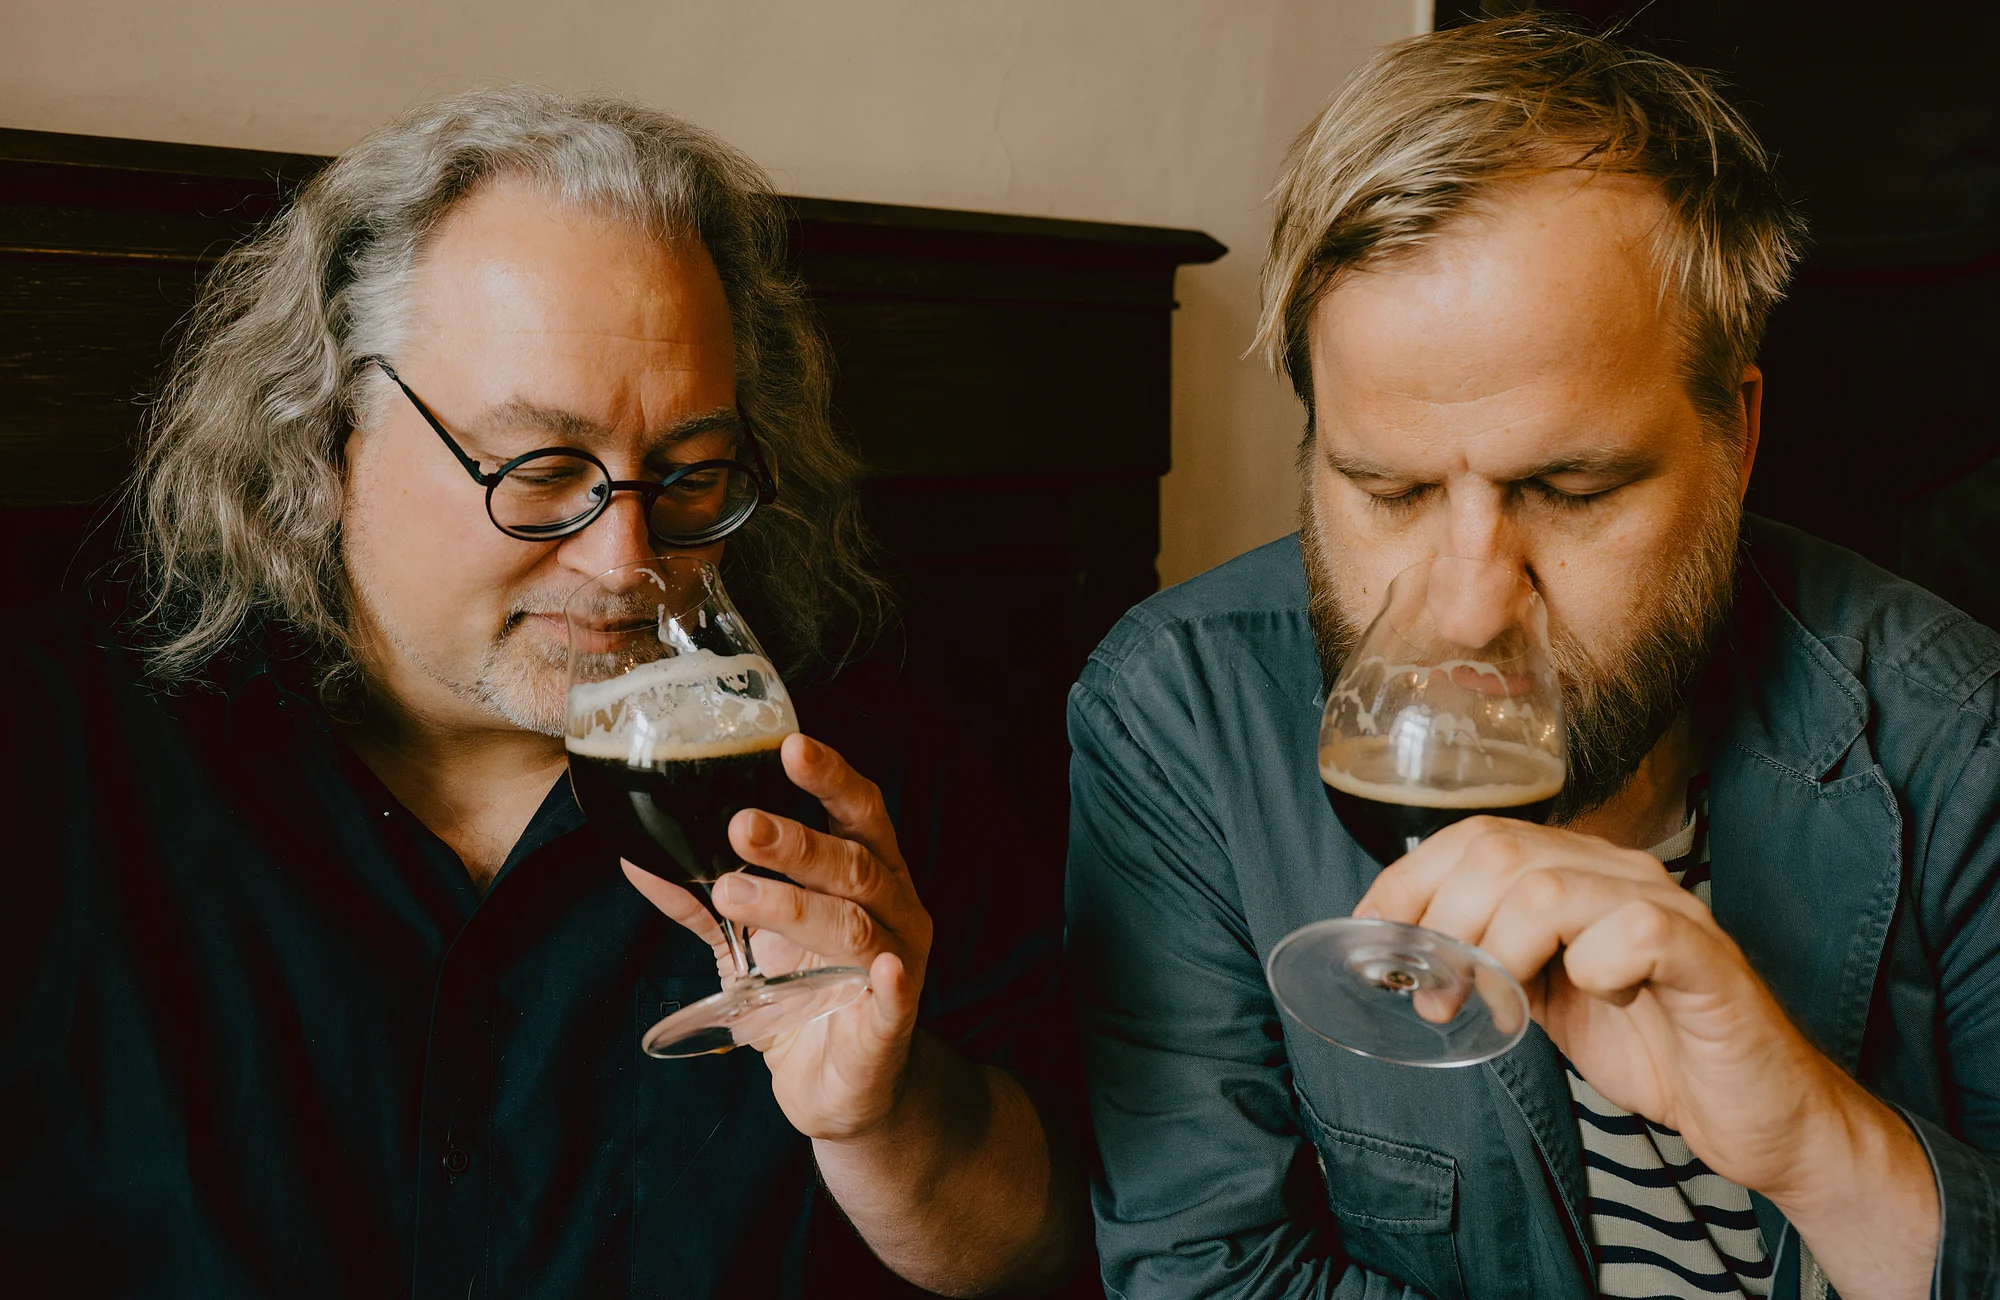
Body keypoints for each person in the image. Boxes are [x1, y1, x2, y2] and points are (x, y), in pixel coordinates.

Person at [0, 86, 1086, 1298]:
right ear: (323, 435)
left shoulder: (850, 773)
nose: (625, 563)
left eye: (687, 472)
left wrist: (887, 1118)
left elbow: (1051, 1255)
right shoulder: (54, 760)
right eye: (539, 467)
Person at [1067, 17, 1997, 1300]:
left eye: (1566, 488)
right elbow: (1200, 1274)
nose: (1463, 608)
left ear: (1736, 433)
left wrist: (1817, 1145)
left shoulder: (1958, 737)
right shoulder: (1178, 717)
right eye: (1385, 490)